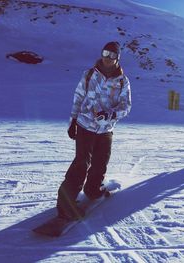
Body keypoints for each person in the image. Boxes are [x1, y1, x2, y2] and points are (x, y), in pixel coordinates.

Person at [56, 41, 131, 220]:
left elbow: (126, 106)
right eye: (106, 53)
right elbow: (78, 97)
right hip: (85, 125)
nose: (108, 58)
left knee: (100, 163)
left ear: (117, 58)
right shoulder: (89, 75)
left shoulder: (122, 81)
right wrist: (72, 121)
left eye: (112, 55)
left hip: (106, 130)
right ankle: (66, 205)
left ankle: (92, 189)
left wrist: (110, 114)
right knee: (81, 163)